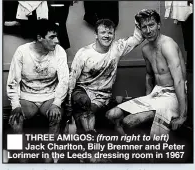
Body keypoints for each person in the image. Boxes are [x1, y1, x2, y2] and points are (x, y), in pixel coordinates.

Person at [106, 9, 187, 137]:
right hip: (156, 93)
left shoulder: (168, 45)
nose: (148, 31)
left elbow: (179, 81)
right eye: (144, 27)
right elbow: (149, 75)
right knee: (111, 114)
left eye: (151, 25)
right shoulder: (146, 49)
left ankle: (149, 149)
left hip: (173, 95)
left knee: (129, 121)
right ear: (140, 29)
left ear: (159, 25)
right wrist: (147, 101)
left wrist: (183, 115)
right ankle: (133, 144)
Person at [7, 19, 69, 162]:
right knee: (15, 120)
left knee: (56, 115)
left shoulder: (59, 52)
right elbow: (13, 81)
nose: (57, 41)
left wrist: (57, 103)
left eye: (57, 36)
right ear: (39, 38)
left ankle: (49, 158)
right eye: (52, 37)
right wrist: (15, 105)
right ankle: (21, 158)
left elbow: (64, 80)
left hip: (49, 96)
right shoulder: (22, 51)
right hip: (27, 97)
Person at [68, 19, 144, 134]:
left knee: (89, 111)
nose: (107, 36)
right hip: (82, 90)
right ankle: (87, 135)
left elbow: (137, 38)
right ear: (96, 34)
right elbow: (72, 78)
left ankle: (89, 134)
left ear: (114, 35)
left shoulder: (117, 48)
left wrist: (139, 20)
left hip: (102, 96)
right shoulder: (84, 53)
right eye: (103, 32)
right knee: (84, 102)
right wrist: (67, 102)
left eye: (110, 33)